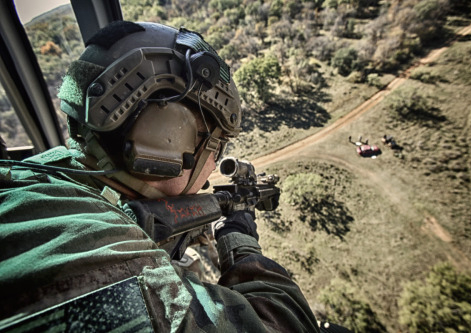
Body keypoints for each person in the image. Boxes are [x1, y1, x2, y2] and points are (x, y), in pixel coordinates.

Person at [0, 21, 320, 332]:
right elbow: (286, 322)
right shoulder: (125, 280)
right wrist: (240, 238)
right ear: (164, 140)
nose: (211, 167)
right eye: (217, 148)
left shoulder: (30, 177)